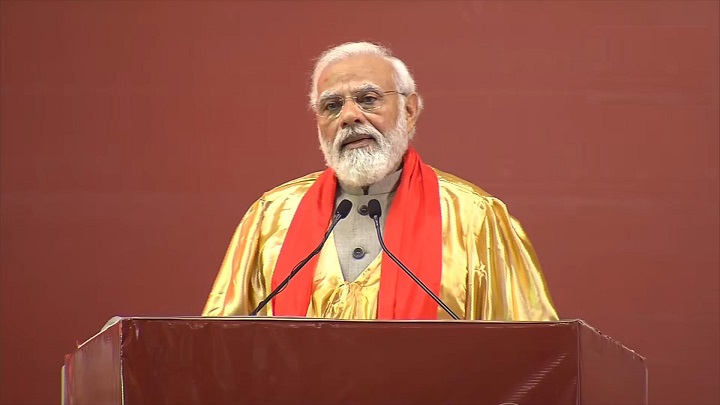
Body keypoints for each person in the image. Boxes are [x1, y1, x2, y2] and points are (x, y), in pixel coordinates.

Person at [201, 41, 558, 321]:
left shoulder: (477, 219)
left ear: (410, 109)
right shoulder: (270, 218)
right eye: (331, 106)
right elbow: (219, 350)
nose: (349, 116)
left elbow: (529, 358)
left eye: (368, 99)